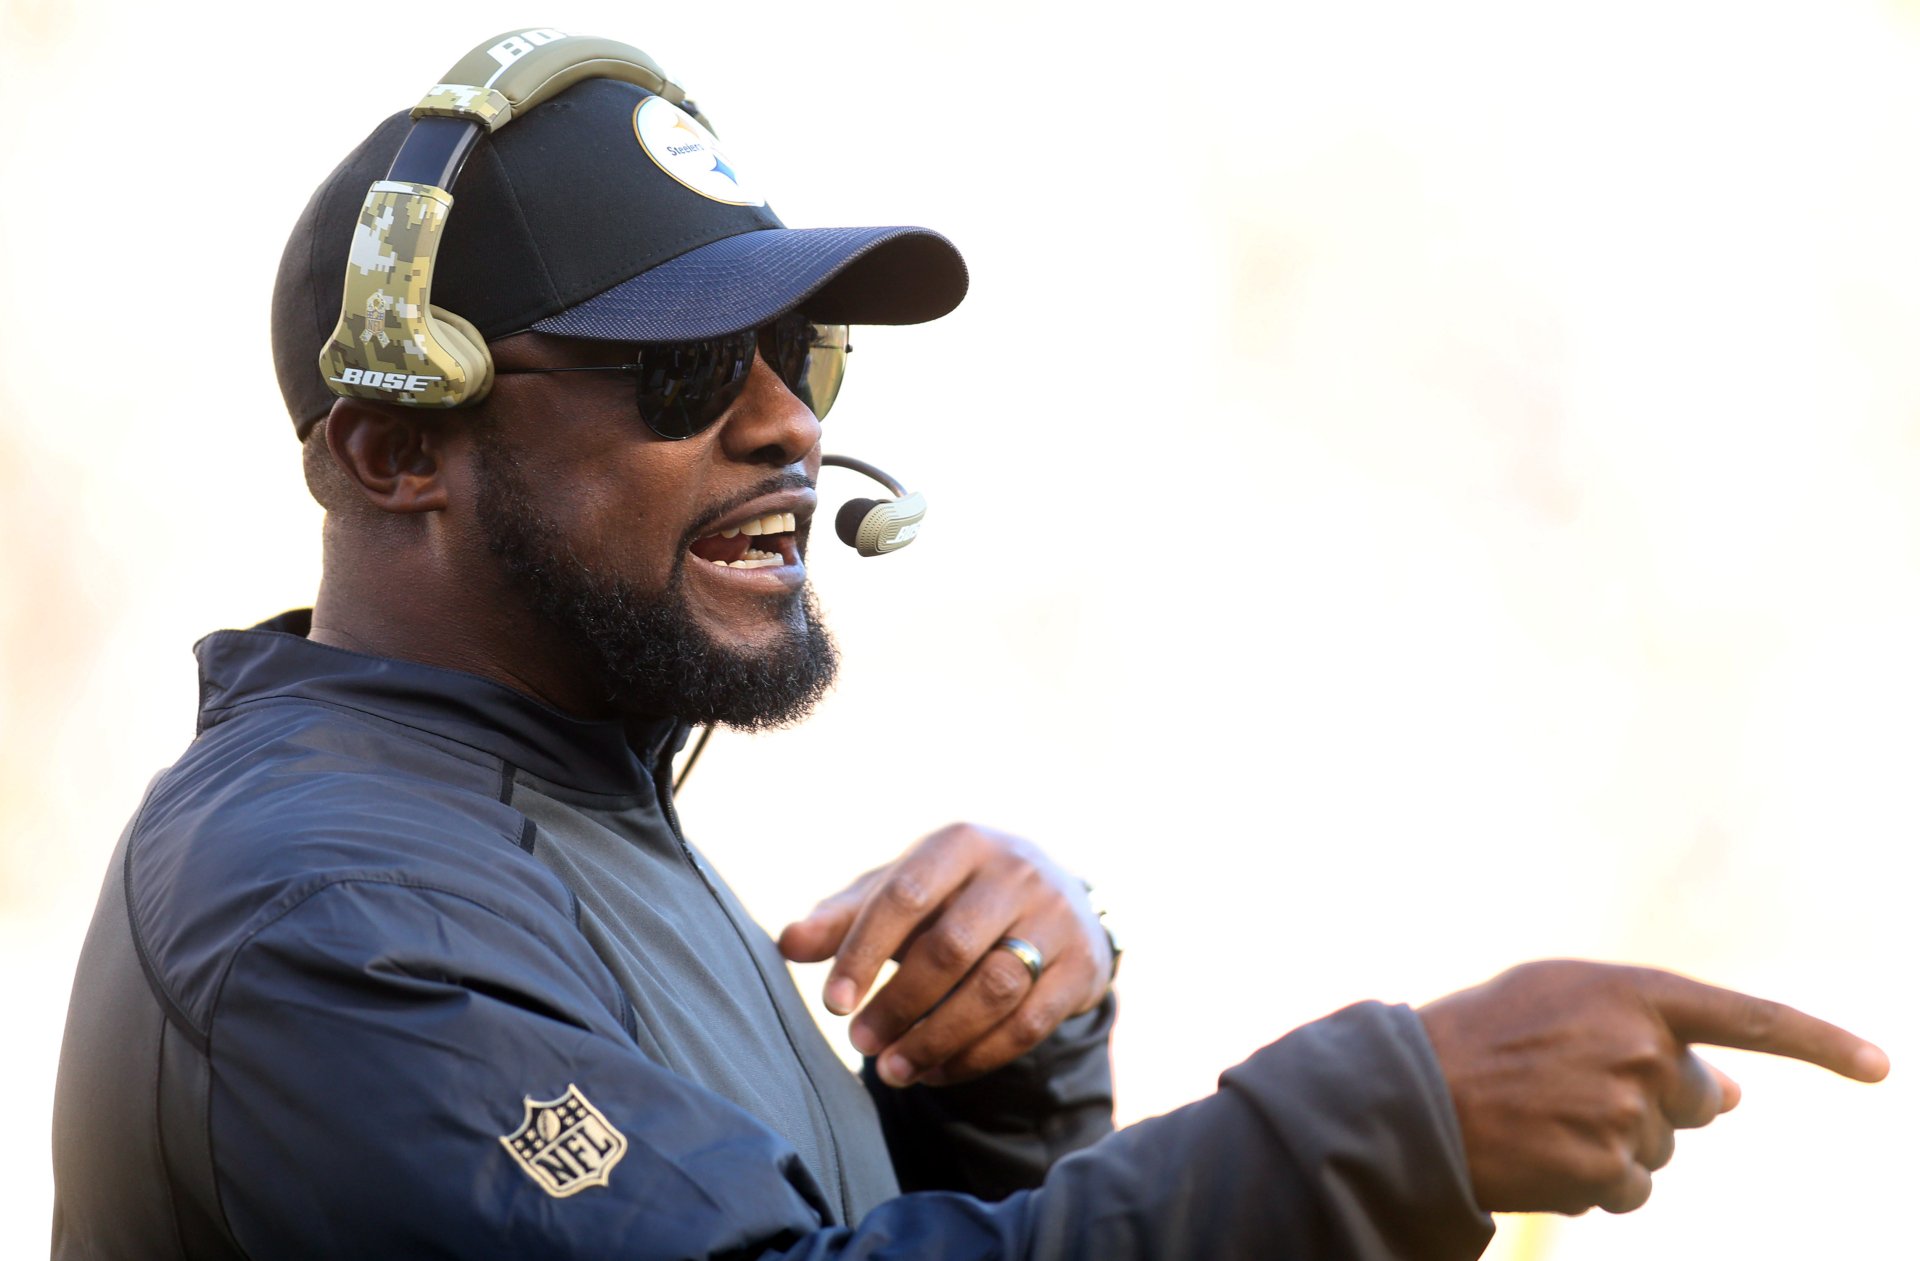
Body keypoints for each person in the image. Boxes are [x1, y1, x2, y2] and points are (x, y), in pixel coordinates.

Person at [50, 29, 1888, 1261]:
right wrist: (1400, 1125)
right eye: (683, 370)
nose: (784, 422)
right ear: (394, 450)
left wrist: (1002, 1089)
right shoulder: (328, 904)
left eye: (801, 356)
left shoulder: (543, 818)